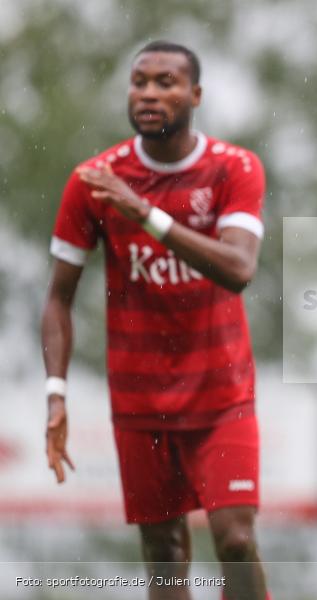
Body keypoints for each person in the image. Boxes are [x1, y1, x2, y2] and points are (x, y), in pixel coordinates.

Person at [41, 41, 270, 600]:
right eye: (139, 81)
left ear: (194, 95)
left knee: (236, 540)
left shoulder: (233, 168)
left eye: (165, 82)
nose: (148, 92)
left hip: (222, 395)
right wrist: (56, 393)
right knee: (164, 555)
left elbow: (239, 269)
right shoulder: (95, 180)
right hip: (141, 402)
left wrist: (146, 213)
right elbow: (58, 299)